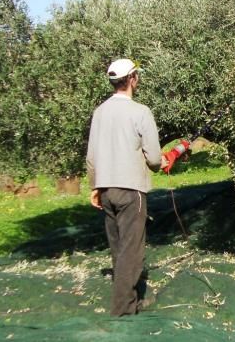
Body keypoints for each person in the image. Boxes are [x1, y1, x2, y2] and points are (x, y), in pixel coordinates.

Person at [86, 58, 168, 316]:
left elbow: (91, 156)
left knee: (118, 248)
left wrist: (94, 187)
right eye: (137, 74)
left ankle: (130, 300)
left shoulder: (99, 112)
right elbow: (154, 158)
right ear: (132, 79)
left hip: (106, 190)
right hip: (132, 191)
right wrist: (160, 162)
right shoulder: (141, 112)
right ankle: (123, 311)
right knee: (131, 253)